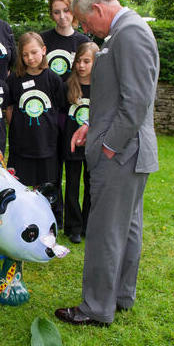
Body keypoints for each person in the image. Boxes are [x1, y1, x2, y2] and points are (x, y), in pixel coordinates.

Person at [55, 0, 159, 326]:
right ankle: (120, 296)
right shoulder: (122, 35)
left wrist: (110, 146)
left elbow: (137, 103)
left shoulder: (130, 33)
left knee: (103, 231)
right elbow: (118, 99)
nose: (86, 30)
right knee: (127, 228)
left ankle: (96, 308)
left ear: (98, 10)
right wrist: (92, 127)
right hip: (127, 151)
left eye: (86, 23)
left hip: (123, 153)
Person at [41, 0, 93, 230]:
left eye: (67, 11)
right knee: (55, 169)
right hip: (51, 113)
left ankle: (80, 221)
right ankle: (55, 216)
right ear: (51, 14)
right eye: (56, 12)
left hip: (77, 113)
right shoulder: (44, 41)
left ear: (74, 12)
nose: (62, 17)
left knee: (77, 169)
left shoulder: (83, 42)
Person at [6, 32, 66, 211]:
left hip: (47, 145)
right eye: (25, 54)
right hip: (22, 146)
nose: (30, 58)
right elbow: (9, 108)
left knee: (48, 187)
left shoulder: (53, 79)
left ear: (44, 50)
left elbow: (60, 110)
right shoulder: (14, 80)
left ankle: (53, 220)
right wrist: (17, 127)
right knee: (20, 187)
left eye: (34, 52)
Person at [62, 42, 99, 244]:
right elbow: (60, 115)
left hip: (93, 145)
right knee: (73, 186)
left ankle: (88, 224)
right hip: (72, 145)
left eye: (87, 61)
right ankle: (73, 226)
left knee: (91, 185)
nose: (82, 66)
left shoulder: (101, 89)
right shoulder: (68, 86)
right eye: (79, 61)